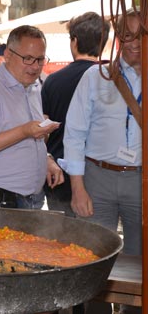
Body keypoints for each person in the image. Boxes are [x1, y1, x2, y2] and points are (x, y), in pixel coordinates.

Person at [62, 10, 143, 314]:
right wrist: (77, 186)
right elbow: (74, 132)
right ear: (117, 40)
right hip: (97, 176)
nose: (132, 43)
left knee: (141, 266)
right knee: (96, 262)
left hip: (141, 181)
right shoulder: (97, 77)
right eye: (125, 36)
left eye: (139, 36)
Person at [0, 25, 64, 209]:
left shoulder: (32, 88)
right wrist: (25, 131)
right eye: (28, 59)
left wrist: (45, 159)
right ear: (8, 54)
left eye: (40, 59)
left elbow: (26, 140)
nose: (35, 67)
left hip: (27, 200)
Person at [42, 12, 109, 217]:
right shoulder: (110, 79)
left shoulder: (53, 81)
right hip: (101, 174)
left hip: (60, 175)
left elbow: (43, 129)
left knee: (63, 240)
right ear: (103, 43)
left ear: (74, 42)